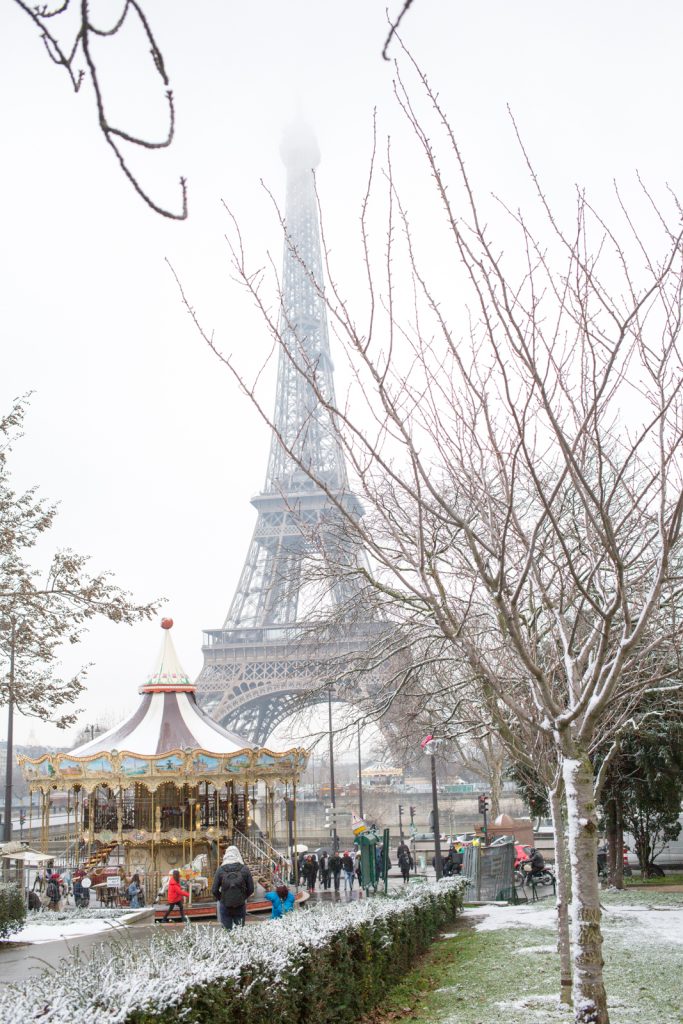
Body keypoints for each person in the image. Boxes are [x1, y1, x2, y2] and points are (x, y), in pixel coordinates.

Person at [211, 845, 254, 930]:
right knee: (239, 931)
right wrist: (242, 897)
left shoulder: (220, 870)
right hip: (240, 905)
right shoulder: (244, 869)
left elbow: (214, 890)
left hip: (225, 905)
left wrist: (222, 898)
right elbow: (251, 889)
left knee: (227, 932)